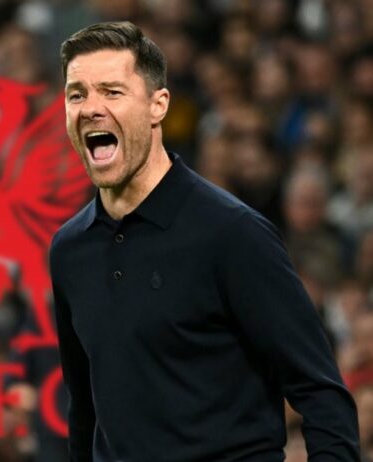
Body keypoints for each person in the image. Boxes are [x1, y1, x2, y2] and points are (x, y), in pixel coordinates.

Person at [49, 21, 360, 462]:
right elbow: (85, 411)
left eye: (112, 92)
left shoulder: (233, 234)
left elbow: (320, 392)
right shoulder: (69, 250)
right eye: (77, 94)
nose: (91, 108)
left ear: (158, 105)